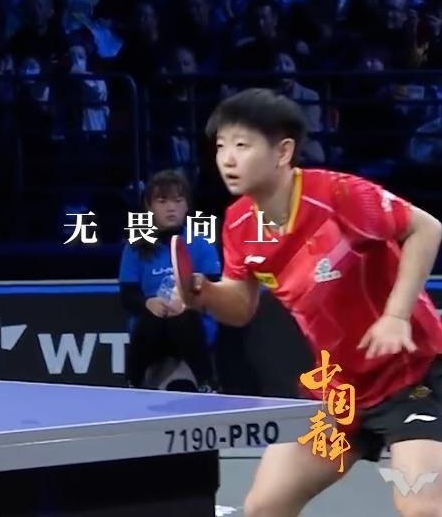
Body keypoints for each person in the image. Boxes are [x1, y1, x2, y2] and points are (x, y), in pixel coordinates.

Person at [178, 88, 442, 517]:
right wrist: (204, 295)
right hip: (340, 391)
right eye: (221, 146)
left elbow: (426, 228)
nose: (227, 159)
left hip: (410, 378)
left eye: (242, 145)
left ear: (283, 152)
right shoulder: (240, 222)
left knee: (421, 507)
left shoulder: (338, 196)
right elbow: (241, 306)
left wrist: (396, 315)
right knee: (265, 505)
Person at [118, 169, 221, 392]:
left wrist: (188, 301)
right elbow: (128, 296)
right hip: (152, 324)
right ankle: (131, 384)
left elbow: (215, 290)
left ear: (187, 206)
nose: (171, 207)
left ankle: (207, 384)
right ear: (149, 206)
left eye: (178, 200)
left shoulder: (201, 243)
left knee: (183, 317)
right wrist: (148, 303)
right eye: (162, 201)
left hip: (192, 323)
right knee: (150, 319)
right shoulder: (135, 247)